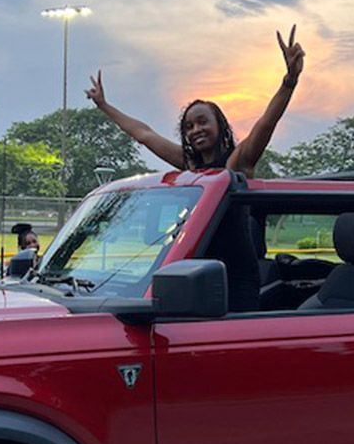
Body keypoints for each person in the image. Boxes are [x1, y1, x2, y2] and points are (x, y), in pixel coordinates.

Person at [85, 26, 306, 311]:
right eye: (188, 126)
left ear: (219, 126)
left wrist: (289, 81)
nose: (195, 130)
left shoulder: (236, 164)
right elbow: (144, 134)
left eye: (202, 122)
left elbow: (266, 123)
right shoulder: (189, 167)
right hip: (197, 275)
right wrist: (104, 105)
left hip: (236, 279)